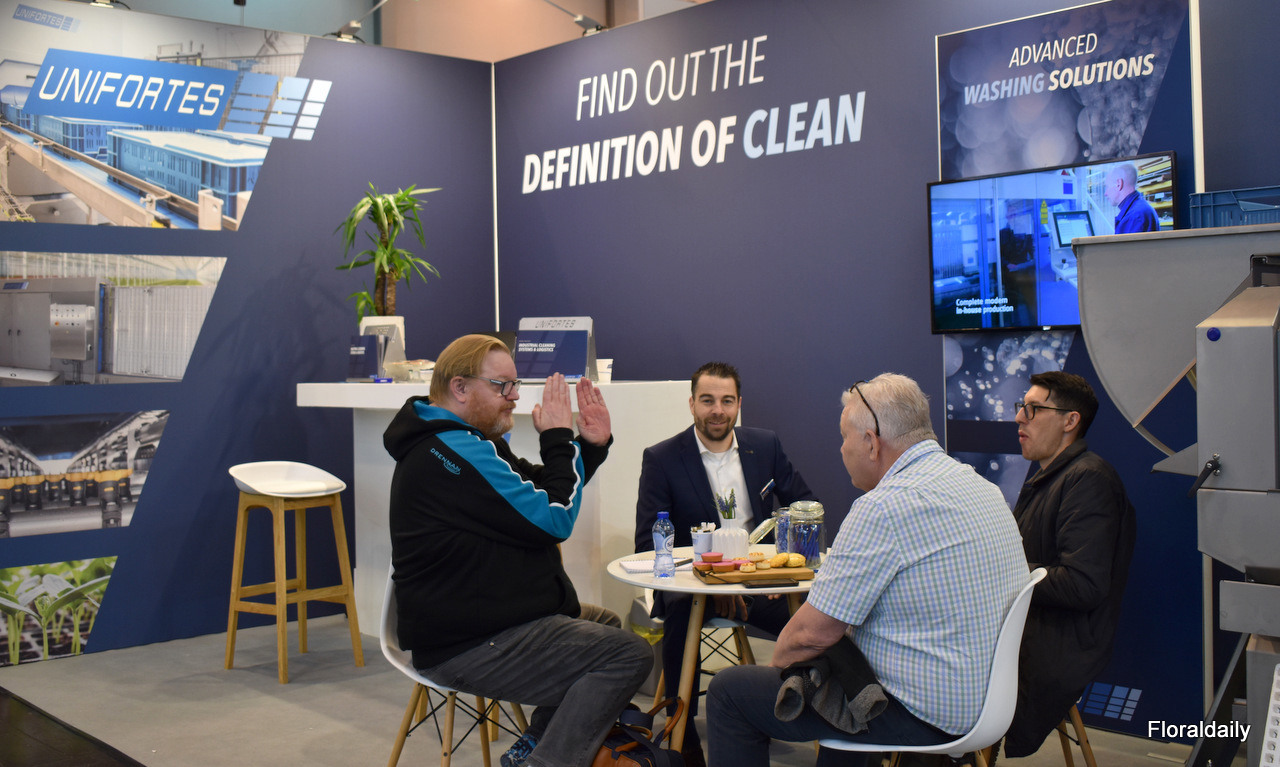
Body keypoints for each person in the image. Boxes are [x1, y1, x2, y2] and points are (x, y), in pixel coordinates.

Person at [706, 374, 1029, 767]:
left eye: (844, 437)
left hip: (919, 711)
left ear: (872, 443)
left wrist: (782, 675)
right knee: (839, 669)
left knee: (731, 689)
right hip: (985, 703)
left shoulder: (884, 507)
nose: (841, 449)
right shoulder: (984, 488)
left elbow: (808, 636)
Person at [383, 334, 652, 767]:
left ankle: (535, 747)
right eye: (502, 386)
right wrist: (559, 438)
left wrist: (588, 447)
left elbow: (542, 489)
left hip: (483, 619)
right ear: (460, 387)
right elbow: (553, 519)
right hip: (466, 642)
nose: (514, 397)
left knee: (603, 624)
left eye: (515, 385)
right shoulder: (453, 452)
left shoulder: (462, 441)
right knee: (626, 654)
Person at [635, 361, 816, 766]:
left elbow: (804, 506)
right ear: (692, 404)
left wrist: (779, 570)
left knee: (818, 624)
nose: (717, 410)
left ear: (739, 404)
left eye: (727, 401)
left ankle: (820, 718)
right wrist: (714, 581)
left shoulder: (765, 445)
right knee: (680, 622)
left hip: (760, 582)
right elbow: (649, 543)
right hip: (693, 586)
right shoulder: (662, 458)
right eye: (707, 400)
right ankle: (682, 742)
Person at [1003, 371, 1137, 758]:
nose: (1019, 418)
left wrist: (1001, 574)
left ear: (1070, 420)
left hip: (1053, 648)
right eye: (1021, 407)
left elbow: (1082, 584)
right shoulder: (1051, 477)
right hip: (1028, 636)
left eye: (1033, 409)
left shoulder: (1088, 479)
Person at [998, 199, 1038, 327]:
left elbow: (1031, 249)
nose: (1013, 216)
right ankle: (1012, 325)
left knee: (1029, 301)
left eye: (1015, 214)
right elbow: (999, 255)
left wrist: (1034, 260)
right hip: (1010, 274)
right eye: (1011, 214)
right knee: (1012, 303)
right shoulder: (1002, 233)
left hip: (1025, 272)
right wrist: (1007, 264)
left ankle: (1033, 324)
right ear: (1006, 216)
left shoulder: (1025, 231)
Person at [1104, 163, 1160, 234]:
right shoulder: (1137, 209)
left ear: (1119, 184)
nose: (1105, 193)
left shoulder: (1135, 216)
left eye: (1107, 187)